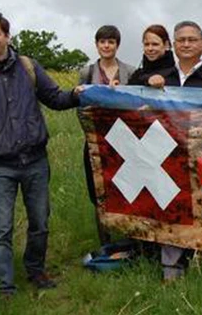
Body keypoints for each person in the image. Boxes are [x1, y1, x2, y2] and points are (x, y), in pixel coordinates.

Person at [0, 11, 84, 296]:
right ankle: (6, 286)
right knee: (1, 229)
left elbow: (54, 98)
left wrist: (76, 94)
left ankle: (36, 270)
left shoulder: (28, 67)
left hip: (36, 161)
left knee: (39, 222)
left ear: (7, 35)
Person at [145, 21, 202, 281]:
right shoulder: (159, 80)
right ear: (173, 45)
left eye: (193, 39)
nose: (187, 44)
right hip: (167, 159)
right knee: (172, 210)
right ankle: (172, 267)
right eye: (181, 40)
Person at [78, 25, 136, 245]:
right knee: (98, 192)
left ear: (117, 45)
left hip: (125, 142)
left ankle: (131, 239)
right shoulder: (86, 72)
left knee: (126, 190)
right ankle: (105, 241)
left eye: (111, 42)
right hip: (95, 141)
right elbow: (80, 107)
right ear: (96, 44)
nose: (106, 46)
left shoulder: (130, 72)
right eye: (102, 42)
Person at [145, 21, 202, 90]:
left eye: (192, 40)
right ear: (174, 45)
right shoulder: (158, 79)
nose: (186, 45)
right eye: (181, 40)